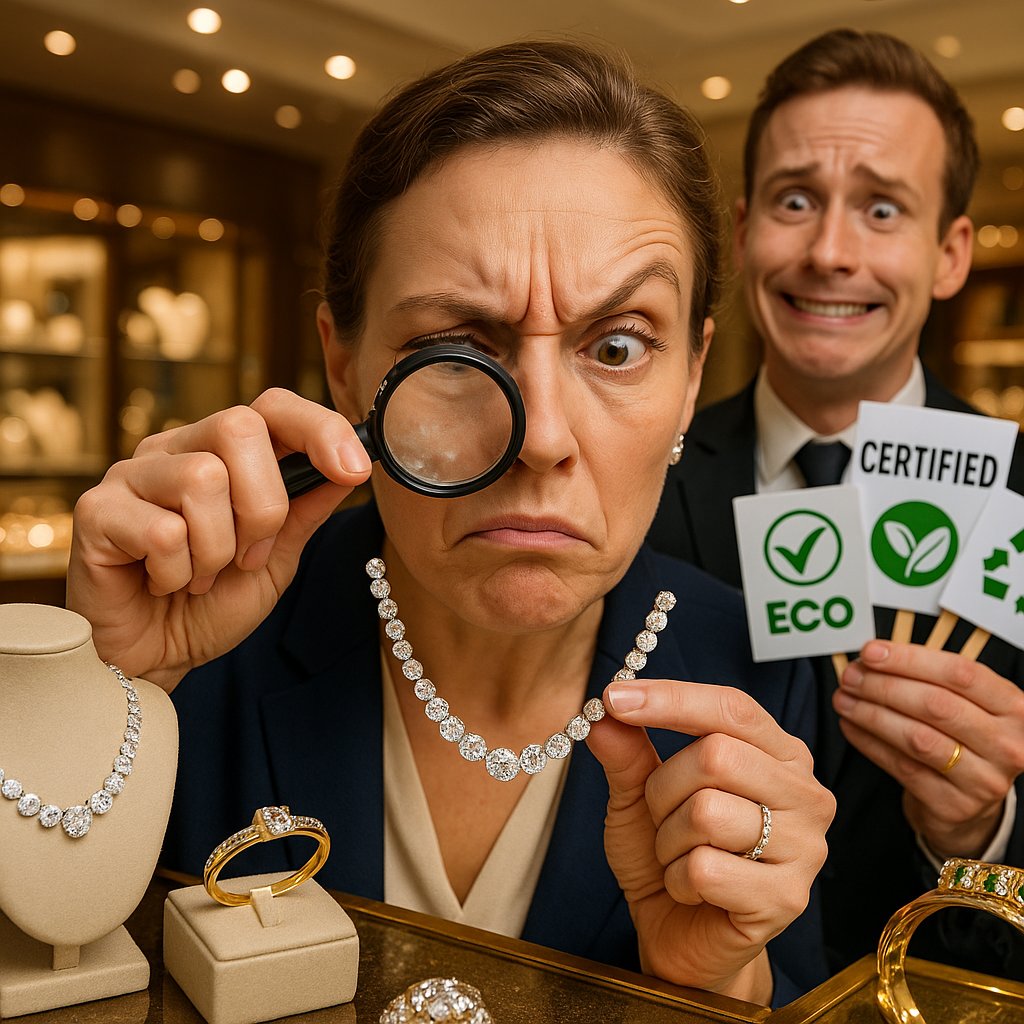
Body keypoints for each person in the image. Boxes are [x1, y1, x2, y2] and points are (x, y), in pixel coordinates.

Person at [66, 41, 836, 1007]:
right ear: (344, 366)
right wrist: (98, 692)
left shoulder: (762, 668)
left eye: (620, 345)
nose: (542, 437)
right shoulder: (202, 651)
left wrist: (707, 984)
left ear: (690, 379)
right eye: (451, 348)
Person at [649, 28, 1024, 976]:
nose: (828, 252)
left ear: (949, 255)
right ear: (740, 235)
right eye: (796, 201)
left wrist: (985, 831)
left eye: (883, 209)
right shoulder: (636, 479)